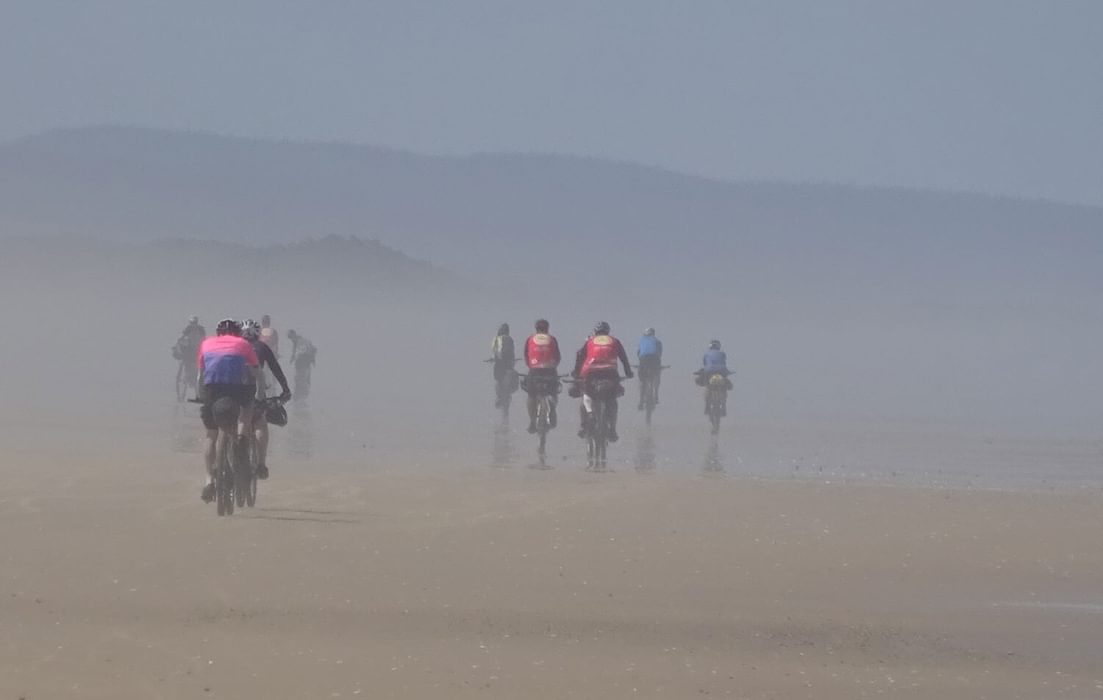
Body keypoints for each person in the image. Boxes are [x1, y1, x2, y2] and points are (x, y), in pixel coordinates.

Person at [196, 318, 260, 503]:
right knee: (247, 407)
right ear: (237, 333)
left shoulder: (206, 344)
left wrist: (201, 396)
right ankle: (241, 439)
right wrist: (261, 392)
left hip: (212, 390)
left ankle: (209, 480)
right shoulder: (243, 344)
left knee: (210, 435)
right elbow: (256, 372)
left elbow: (200, 375)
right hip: (236, 389)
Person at [242, 319, 292, 480]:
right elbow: (275, 368)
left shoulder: (234, 347)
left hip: (231, 392)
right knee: (260, 423)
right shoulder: (261, 347)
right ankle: (261, 464)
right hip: (255, 391)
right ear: (258, 334)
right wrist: (285, 389)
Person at [571, 321, 633, 442]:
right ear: (608, 331)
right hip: (610, 374)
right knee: (612, 400)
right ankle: (613, 430)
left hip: (591, 373)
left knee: (586, 395)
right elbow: (623, 358)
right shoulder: (614, 341)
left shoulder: (590, 341)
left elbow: (580, 355)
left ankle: (586, 421)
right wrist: (628, 372)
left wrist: (576, 373)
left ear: (595, 332)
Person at [523, 319, 562, 433]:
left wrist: (532, 366)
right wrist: (553, 366)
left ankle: (532, 422)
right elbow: (558, 356)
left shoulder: (530, 339)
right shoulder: (552, 339)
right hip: (550, 371)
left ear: (536, 328)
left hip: (534, 371)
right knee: (553, 392)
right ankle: (552, 409)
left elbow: (526, 356)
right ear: (547, 328)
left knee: (531, 395)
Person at [636, 327, 664, 409]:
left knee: (642, 380)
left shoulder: (641, 340)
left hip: (643, 360)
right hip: (655, 360)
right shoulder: (657, 341)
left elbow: (638, 353)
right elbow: (660, 353)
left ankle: (641, 400)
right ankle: (656, 395)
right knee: (657, 376)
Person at [490, 323, 515, 408]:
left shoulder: (496, 339)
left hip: (499, 365)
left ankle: (498, 397)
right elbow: (512, 352)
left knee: (498, 380)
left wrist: (492, 359)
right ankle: (507, 394)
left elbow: (494, 351)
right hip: (508, 365)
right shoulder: (510, 339)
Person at [286, 329, 317, 399]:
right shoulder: (302, 340)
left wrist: (294, 357)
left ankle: (299, 397)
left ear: (293, 335)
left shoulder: (298, 341)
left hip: (302, 363)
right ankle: (303, 395)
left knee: (300, 379)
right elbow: (313, 349)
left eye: (291, 337)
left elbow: (299, 352)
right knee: (305, 379)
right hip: (306, 363)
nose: (291, 340)